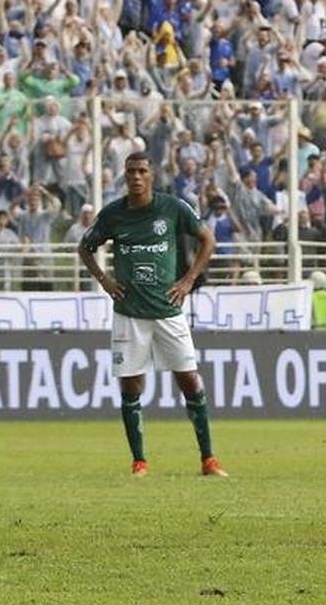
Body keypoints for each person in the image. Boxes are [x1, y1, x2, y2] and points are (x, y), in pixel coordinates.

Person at [77, 152, 227, 477]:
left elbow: (208, 239)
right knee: (132, 386)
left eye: (142, 171)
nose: (136, 177)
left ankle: (208, 459)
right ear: (125, 175)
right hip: (129, 313)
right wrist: (105, 281)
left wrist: (188, 280)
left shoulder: (172, 208)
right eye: (131, 171)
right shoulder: (114, 214)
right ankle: (139, 460)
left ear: (151, 176)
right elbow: (85, 247)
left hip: (168, 309)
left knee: (189, 378)